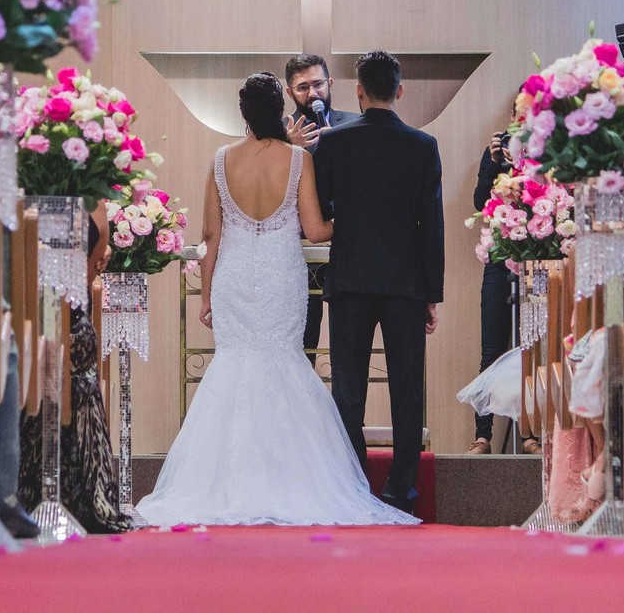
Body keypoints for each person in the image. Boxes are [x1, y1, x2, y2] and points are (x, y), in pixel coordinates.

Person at [137, 73, 416, 526]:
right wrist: (357, 215)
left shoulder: (221, 159)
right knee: (284, 364)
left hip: (232, 279)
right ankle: (289, 482)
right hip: (282, 278)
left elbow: (211, 235)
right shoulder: (297, 159)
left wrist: (206, 295)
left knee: (234, 369)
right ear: (280, 109)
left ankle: (227, 485)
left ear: (244, 113)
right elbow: (316, 230)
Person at [313, 51, 445, 515]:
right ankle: (401, 490)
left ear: (359, 91)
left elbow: (322, 209)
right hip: (406, 282)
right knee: (407, 386)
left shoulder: (331, 144)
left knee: (347, 387)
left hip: (349, 276)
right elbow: (433, 225)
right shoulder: (423, 146)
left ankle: (353, 484)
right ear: (400, 91)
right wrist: (432, 294)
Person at [19, 202, 132, 533]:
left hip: (65, 305)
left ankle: (72, 487)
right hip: (29, 305)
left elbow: (94, 262)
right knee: (54, 342)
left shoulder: (92, 203)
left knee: (76, 340)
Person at [467, 121, 540, 455]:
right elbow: (480, 201)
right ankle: (483, 436)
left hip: (539, 259)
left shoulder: (548, 152)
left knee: (534, 347)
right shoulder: (494, 155)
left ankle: (531, 433)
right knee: (491, 348)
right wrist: (495, 164)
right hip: (499, 258)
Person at [282, 54, 360, 366]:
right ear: (290, 93)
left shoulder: (356, 124)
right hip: (300, 251)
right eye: (303, 88)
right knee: (304, 342)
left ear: (330, 83)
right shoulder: (278, 132)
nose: (313, 94)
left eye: (318, 84)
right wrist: (290, 149)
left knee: (350, 342)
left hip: (349, 248)